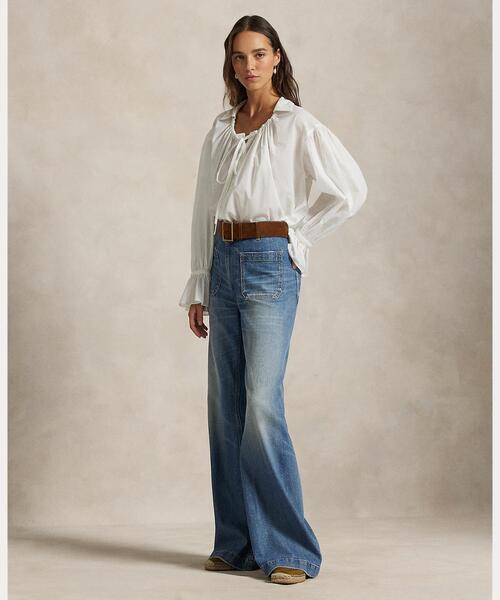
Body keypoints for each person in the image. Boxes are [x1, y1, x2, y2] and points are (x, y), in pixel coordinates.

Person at [179, 15, 368, 585]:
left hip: (269, 264)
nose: (249, 65)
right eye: (239, 57)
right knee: (225, 409)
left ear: (277, 57)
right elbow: (204, 206)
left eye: (259, 54)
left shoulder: (295, 124)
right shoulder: (222, 128)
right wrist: (199, 281)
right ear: (231, 64)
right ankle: (236, 543)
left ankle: (290, 549)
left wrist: (298, 235)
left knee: (261, 404)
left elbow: (349, 189)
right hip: (223, 260)